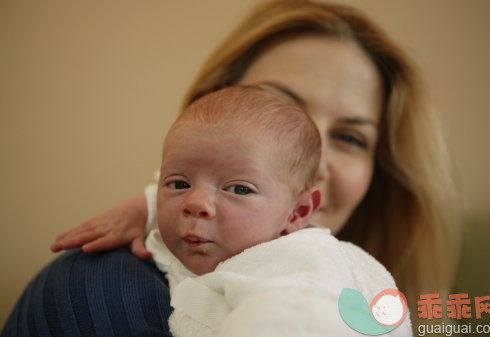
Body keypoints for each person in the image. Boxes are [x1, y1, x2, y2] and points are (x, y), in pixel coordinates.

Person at [3, 0, 460, 335]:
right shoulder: (103, 288)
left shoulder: (360, 292)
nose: (315, 159)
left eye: (351, 137)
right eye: (278, 105)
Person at [144, 84, 411, 336]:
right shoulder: (134, 257)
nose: (195, 203)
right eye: (179, 184)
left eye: (239, 189)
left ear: (297, 212)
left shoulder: (297, 267)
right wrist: (141, 210)